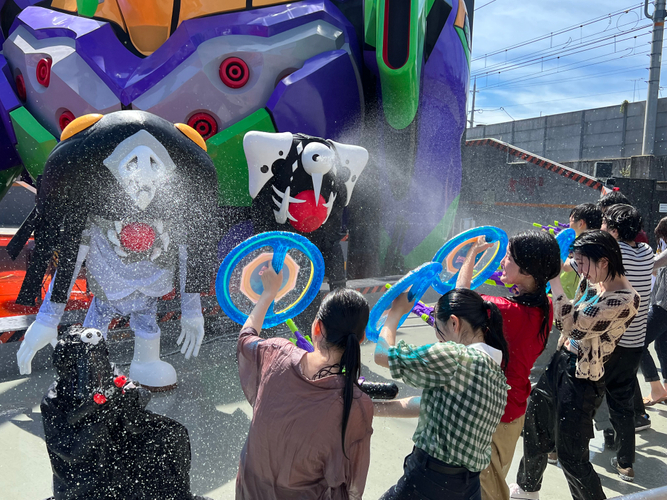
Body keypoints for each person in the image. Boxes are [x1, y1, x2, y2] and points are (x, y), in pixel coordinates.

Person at [510, 230, 640, 500]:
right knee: (535, 427)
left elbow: (574, 326)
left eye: (582, 263)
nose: (579, 269)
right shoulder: (594, 279)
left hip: (583, 377)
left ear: (604, 261)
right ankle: (527, 489)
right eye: (577, 262)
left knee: (571, 455)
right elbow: (565, 265)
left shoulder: (626, 299)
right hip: (560, 361)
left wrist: (554, 280)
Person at [235, 267, 373, 499]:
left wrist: (268, 294)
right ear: (361, 339)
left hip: (248, 491)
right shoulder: (356, 405)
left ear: (317, 327)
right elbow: (352, 486)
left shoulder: (275, 353)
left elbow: (245, 338)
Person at [373, 285, 509, 500]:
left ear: (454, 323)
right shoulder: (495, 371)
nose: (438, 338)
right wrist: (373, 408)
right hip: (468, 487)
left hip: (429, 480)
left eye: (438, 328)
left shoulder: (456, 356)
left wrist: (396, 312)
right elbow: (430, 405)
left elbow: (382, 354)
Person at [455, 232, 561, 500]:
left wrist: (472, 254)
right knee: (493, 481)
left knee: (484, 491)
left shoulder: (503, 310)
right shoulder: (546, 306)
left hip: (489, 413)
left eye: (509, 257)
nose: (502, 261)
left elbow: (459, 298)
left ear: (527, 270)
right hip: (513, 410)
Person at [597, 204, 654, 481]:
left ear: (615, 230)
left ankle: (558, 449)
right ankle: (625, 463)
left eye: (604, 223)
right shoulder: (647, 252)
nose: (601, 227)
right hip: (634, 342)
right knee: (622, 402)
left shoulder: (613, 252)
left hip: (610, 340)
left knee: (585, 395)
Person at [638, 217, 667, 406]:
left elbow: (652, 265)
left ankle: (656, 389)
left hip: (663, 307)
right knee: (662, 347)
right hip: (662, 305)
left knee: (638, 342)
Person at [562, 204, 603, 299]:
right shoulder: (600, 241)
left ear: (581, 223)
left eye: (571, 221)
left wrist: (559, 250)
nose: (569, 225)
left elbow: (566, 266)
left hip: (576, 296)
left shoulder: (585, 245)